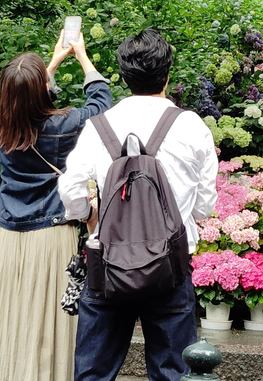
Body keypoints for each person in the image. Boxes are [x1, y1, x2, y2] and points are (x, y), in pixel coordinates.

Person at [58, 28, 218, 381]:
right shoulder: (191, 126)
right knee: (174, 372)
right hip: (170, 268)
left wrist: (87, 214)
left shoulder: (100, 125)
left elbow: (69, 189)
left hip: (108, 265)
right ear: (168, 73)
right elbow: (204, 206)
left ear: (123, 75)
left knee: (93, 373)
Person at [0, 29, 112, 381]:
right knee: (46, 318)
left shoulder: (1, 122)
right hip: (50, 234)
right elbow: (101, 103)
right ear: (43, 89)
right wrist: (79, 56)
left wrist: (49, 64)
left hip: (9, 236)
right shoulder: (64, 126)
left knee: (10, 315)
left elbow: (24, 98)